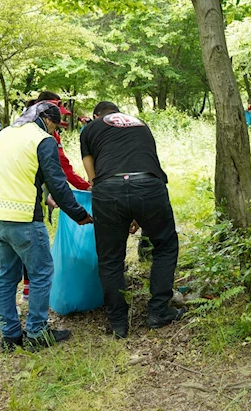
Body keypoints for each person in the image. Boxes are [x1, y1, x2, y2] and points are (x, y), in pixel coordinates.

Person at [0, 102, 93, 352]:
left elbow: (13, 174)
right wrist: (78, 214)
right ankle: (37, 333)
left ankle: (10, 336)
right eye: (55, 126)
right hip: (24, 218)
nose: (56, 133)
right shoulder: (41, 139)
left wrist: (44, 197)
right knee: (42, 272)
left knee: (7, 278)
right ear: (45, 119)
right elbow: (58, 182)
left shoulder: (3, 135)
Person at [80, 101, 184, 339]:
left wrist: (110, 199)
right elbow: (142, 159)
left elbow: (91, 172)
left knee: (110, 258)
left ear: (97, 115)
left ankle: (118, 323)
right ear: (119, 113)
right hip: (149, 184)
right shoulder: (141, 124)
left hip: (108, 188)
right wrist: (136, 211)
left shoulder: (90, 128)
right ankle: (158, 312)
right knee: (165, 246)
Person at [34, 92, 91, 191]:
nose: (59, 120)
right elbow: (61, 171)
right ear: (47, 118)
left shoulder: (53, 135)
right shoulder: (44, 138)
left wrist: (85, 186)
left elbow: (63, 165)